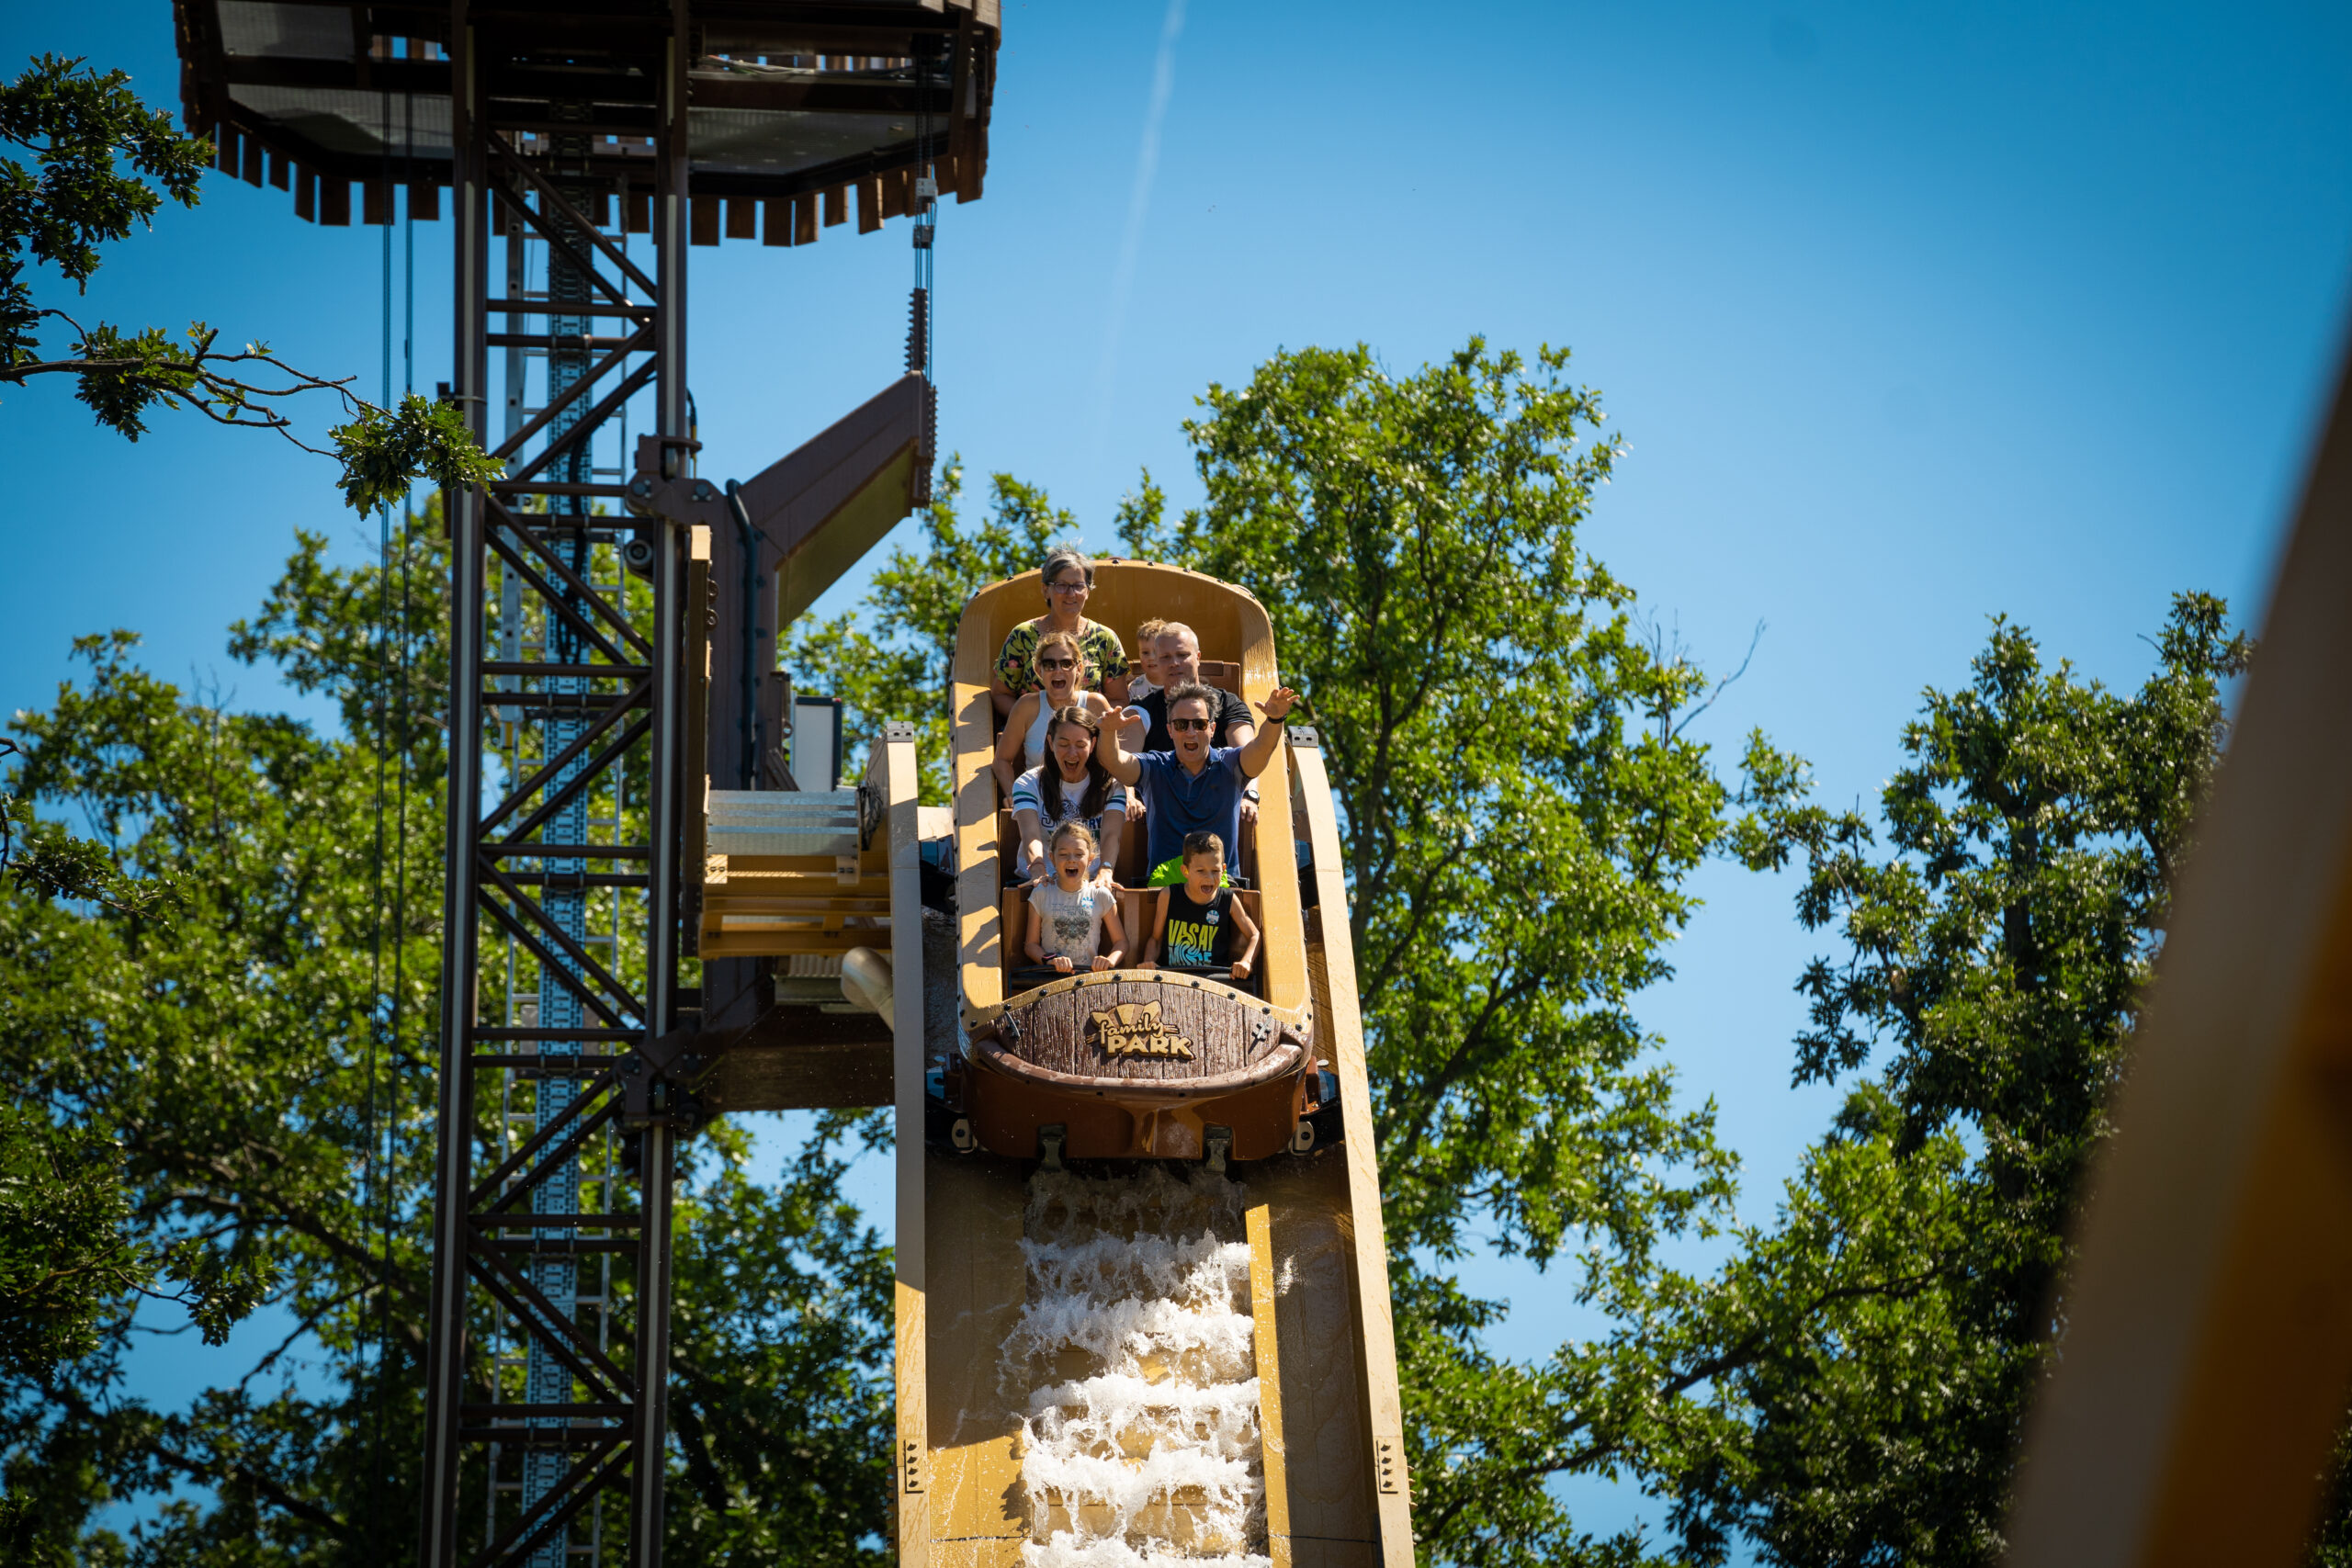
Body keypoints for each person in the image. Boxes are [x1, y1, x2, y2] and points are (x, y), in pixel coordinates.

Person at [1101, 680, 1298, 883]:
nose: (1190, 732)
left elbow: (1261, 749)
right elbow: (1115, 761)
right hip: (1167, 887)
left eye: (1199, 724)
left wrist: (1275, 720)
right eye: (1181, 725)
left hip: (1220, 887)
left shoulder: (1230, 764)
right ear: (1170, 731)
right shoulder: (1155, 767)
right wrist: (1107, 732)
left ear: (1212, 729)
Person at [1133, 622, 1260, 825]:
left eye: (1182, 655)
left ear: (1198, 658)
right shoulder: (1142, 710)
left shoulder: (1228, 704)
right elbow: (1125, 757)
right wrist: (1128, 795)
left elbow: (1249, 754)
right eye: (1166, 657)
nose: (1174, 663)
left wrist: (1250, 795)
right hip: (1164, 824)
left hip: (1216, 819)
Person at [990, 546, 1130, 717]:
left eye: (1078, 586)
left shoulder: (1105, 638)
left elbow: (1119, 700)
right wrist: (1033, 723)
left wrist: (1082, 726)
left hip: (1089, 738)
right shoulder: (1022, 635)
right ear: (1045, 590)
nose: (1071, 594)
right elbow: (1000, 694)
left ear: (1087, 591)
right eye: (1061, 585)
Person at [993, 629, 1125, 795]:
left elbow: (1117, 759)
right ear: (1038, 669)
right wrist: (1014, 796)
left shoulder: (1095, 704)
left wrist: (1128, 794)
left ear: (1079, 668)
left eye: (1066, 663)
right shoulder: (1026, 707)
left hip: (1091, 802)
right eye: (1049, 664)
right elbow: (1002, 760)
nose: (1058, 670)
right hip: (1041, 801)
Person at [1007, 706, 1128, 884]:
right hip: (1040, 880)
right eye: (1063, 745)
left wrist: (1106, 870)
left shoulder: (1111, 786)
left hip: (1090, 881)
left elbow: (1111, 834)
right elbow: (1030, 835)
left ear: (1093, 744)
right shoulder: (1028, 784)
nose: (1072, 753)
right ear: (1050, 742)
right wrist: (1038, 870)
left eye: (1080, 745)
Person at [1138, 830, 1260, 980]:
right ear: (1186, 871)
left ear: (1223, 870)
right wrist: (1148, 962)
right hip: (1174, 980)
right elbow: (1155, 940)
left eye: (1215, 871)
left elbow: (1255, 935)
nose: (1209, 877)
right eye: (1200, 871)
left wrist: (1246, 961)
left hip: (1214, 982)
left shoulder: (1229, 900)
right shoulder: (1168, 895)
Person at [1024, 820, 1125, 975]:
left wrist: (1109, 961)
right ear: (1052, 858)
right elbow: (1031, 945)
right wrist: (1051, 960)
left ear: (1090, 859)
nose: (1071, 859)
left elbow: (1121, 942)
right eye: (1063, 854)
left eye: (1079, 854)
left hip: (1087, 978)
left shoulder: (1100, 895)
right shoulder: (1041, 894)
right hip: (1051, 978)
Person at [1126, 617, 1170, 704]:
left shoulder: (1177, 683)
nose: (1151, 658)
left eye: (1157, 652)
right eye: (1145, 653)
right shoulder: (1135, 687)